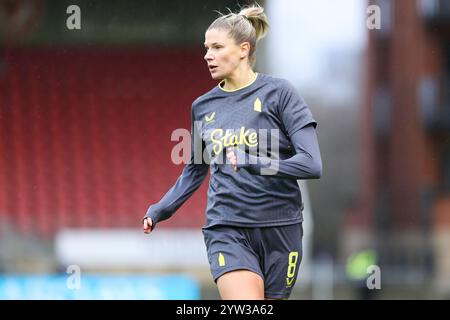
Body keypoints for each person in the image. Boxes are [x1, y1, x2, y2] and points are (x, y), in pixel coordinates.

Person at [142, 3, 322, 300]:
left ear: (243, 49)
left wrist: (255, 162)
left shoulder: (281, 94)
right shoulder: (203, 106)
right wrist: (161, 208)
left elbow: (311, 164)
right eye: (206, 48)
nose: (207, 55)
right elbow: (195, 169)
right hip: (226, 227)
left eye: (216, 47)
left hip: (281, 227)